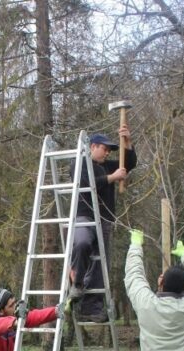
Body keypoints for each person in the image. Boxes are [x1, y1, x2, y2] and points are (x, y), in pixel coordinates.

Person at [68, 125, 137, 323]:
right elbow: (84, 183)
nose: (107, 153)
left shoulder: (107, 165)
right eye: (105, 149)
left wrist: (127, 141)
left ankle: (92, 307)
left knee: (100, 264)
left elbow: (129, 163)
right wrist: (112, 178)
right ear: (93, 146)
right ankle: (77, 284)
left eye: (109, 150)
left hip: (105, 220)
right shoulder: (79, 163)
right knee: (81, 244)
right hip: (84, 217)